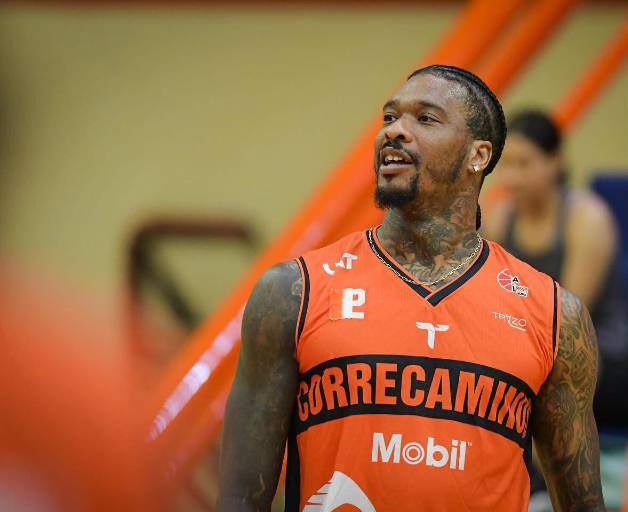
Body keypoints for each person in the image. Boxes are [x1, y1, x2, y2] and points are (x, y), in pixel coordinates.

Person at [217, 66, 605, 512]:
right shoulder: (292, 292)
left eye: (425, 118)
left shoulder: (555, 315)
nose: (395, 131)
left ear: (478, 155)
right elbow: (238, 500)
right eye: (389, 117)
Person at [483, 110, 628, 427]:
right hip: (526, 344)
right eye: (506, 164)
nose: (511, 177)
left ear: (555, 162)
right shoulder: (499, 217)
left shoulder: (587, 219)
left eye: (524, 164)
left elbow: (567, 318)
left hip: (597, 351)